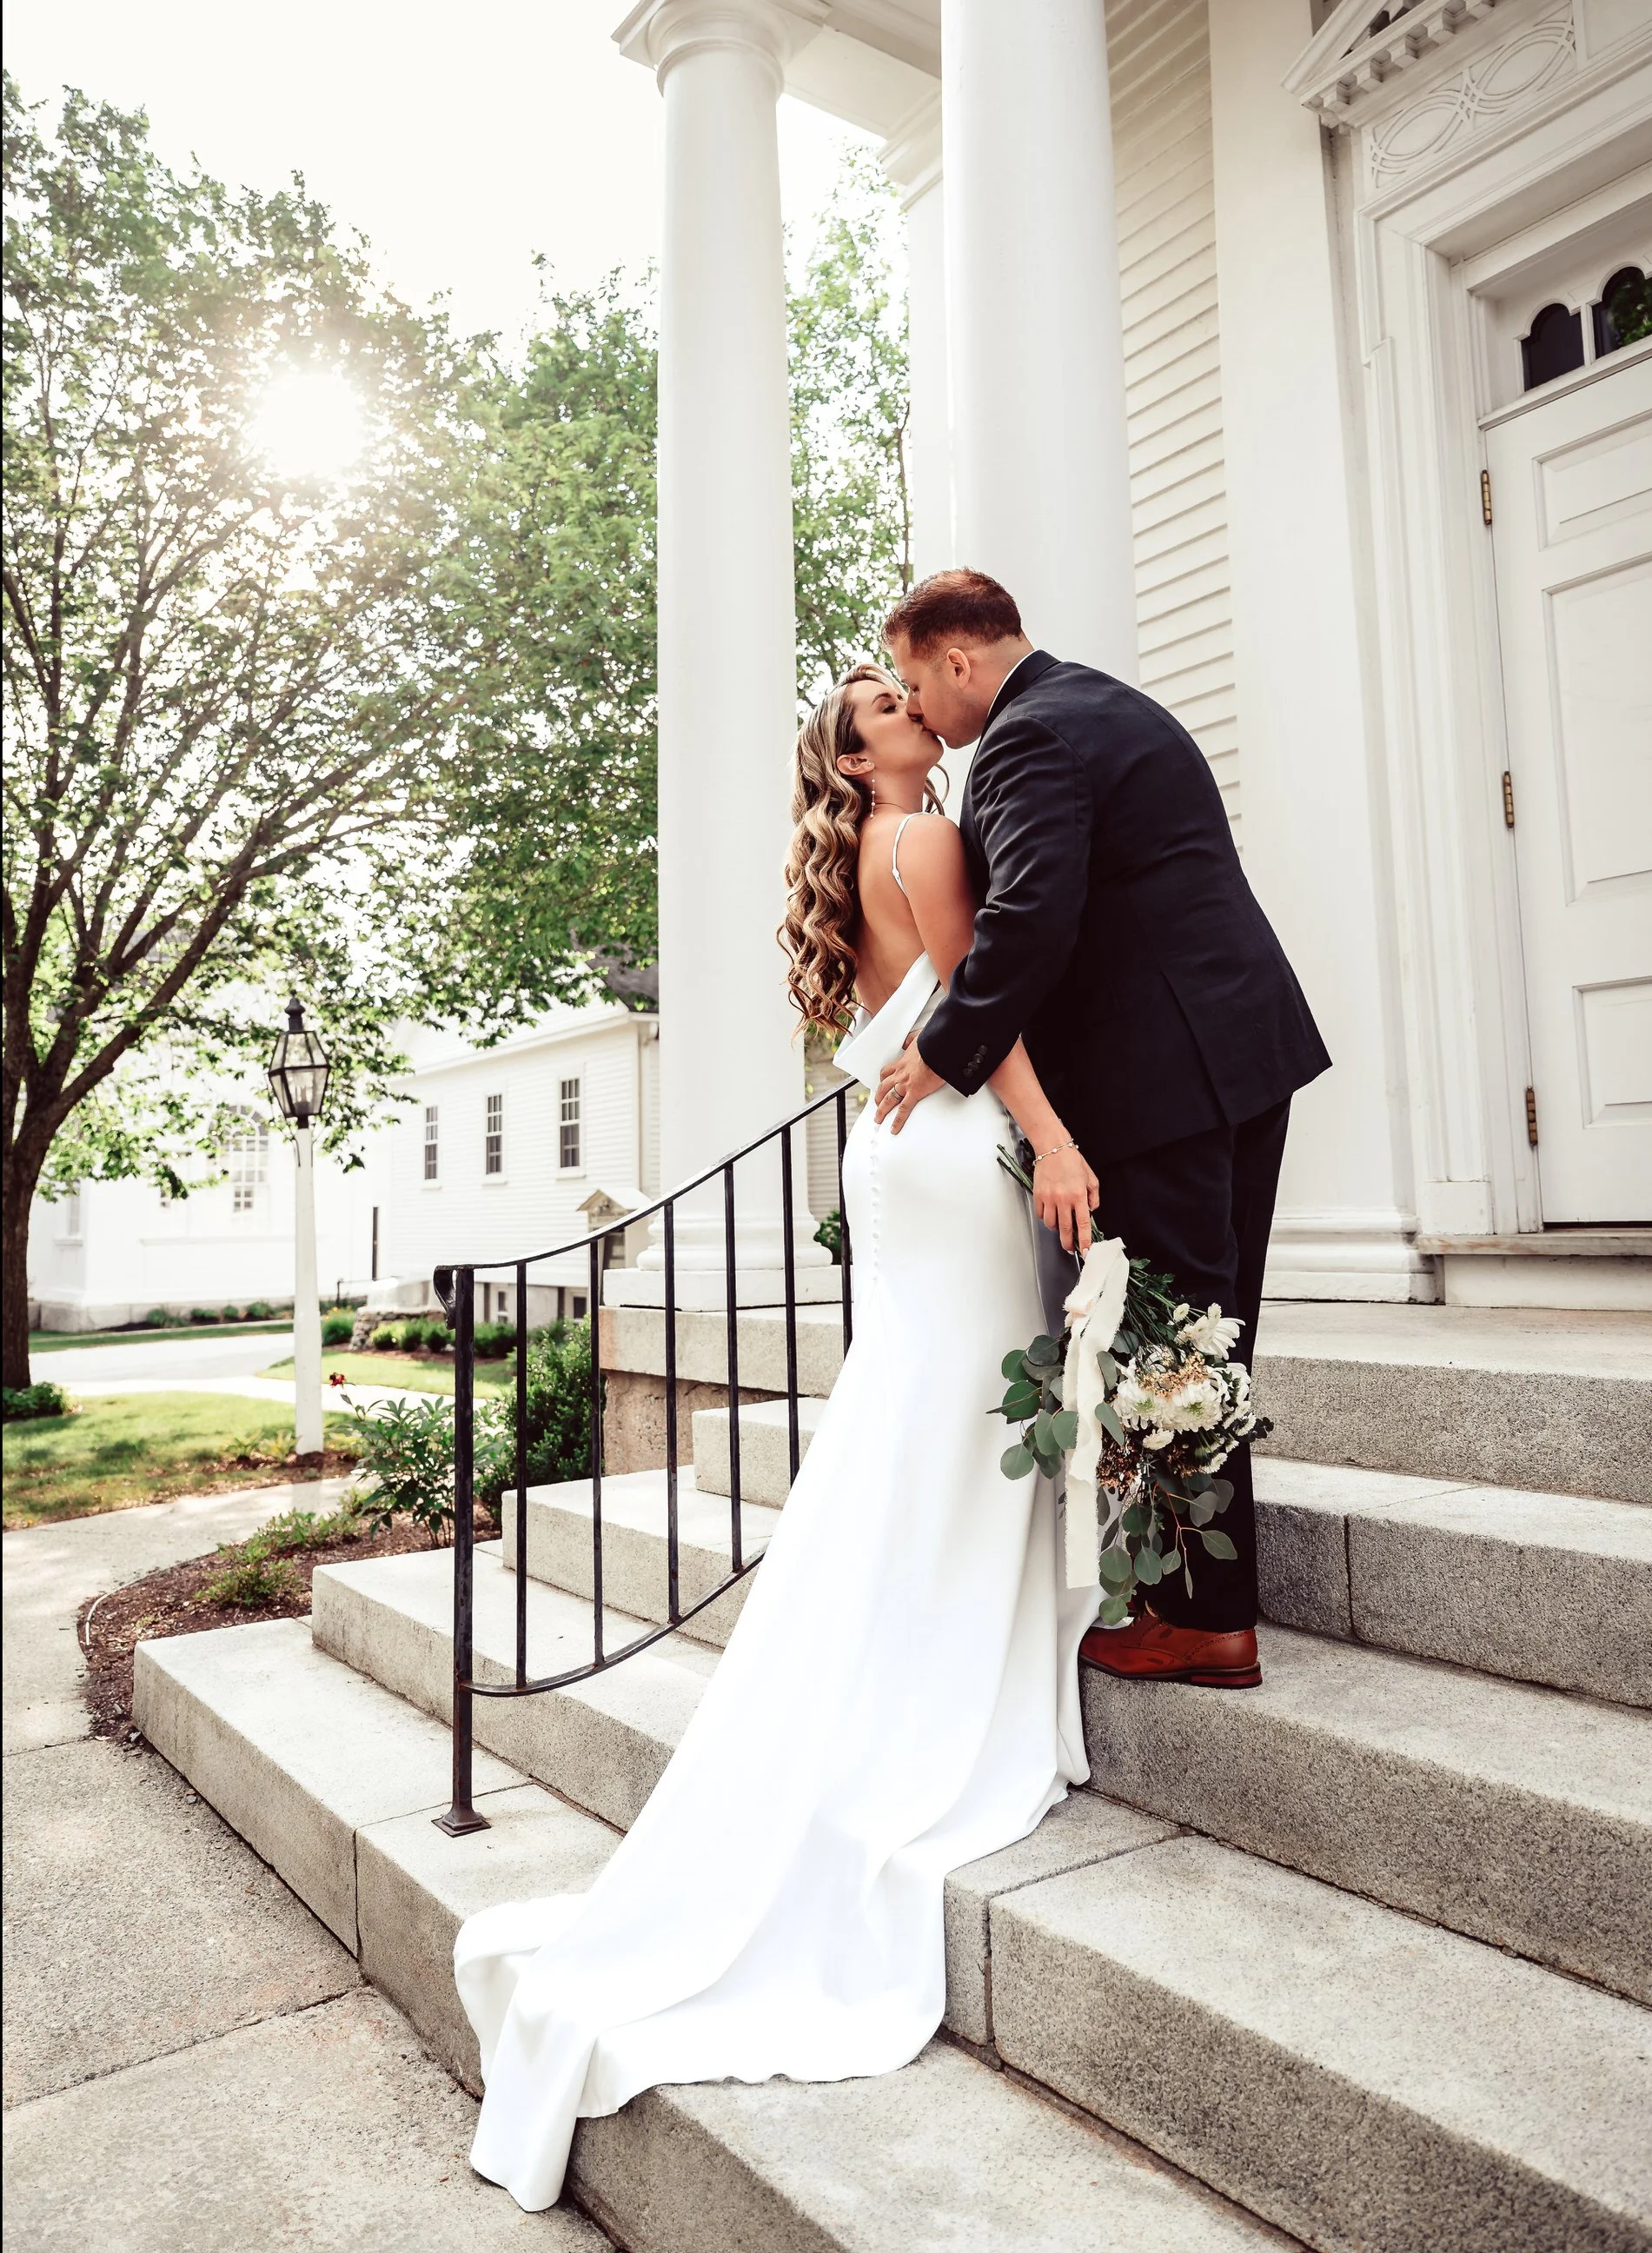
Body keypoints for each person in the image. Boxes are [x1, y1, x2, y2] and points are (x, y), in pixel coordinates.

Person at [452, 661, 1099, 2212]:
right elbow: (987, 1014)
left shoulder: (862, 857)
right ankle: (953, 1670)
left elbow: (897, 1016)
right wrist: (1062, 1141)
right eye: (883, 707)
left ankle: (917, 1643)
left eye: (902, 695)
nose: (910, 715)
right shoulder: (925, 843)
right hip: (950, 1146)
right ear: (863, 753)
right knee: (952, 1412)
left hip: (894, 1165)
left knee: (918, 1419)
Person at [877, 568, 1330, 1691]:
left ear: (960, 659)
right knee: (1207, 1334)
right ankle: (1196, 1599)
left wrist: (947, 1047)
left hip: (1162, 1077)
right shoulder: (1102, 704)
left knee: (1175, 1347)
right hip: (1229, 1056)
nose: (919, 705)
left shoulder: (1031, 739)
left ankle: (1205, 1621)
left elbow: (1032, 914)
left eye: (916, 680)